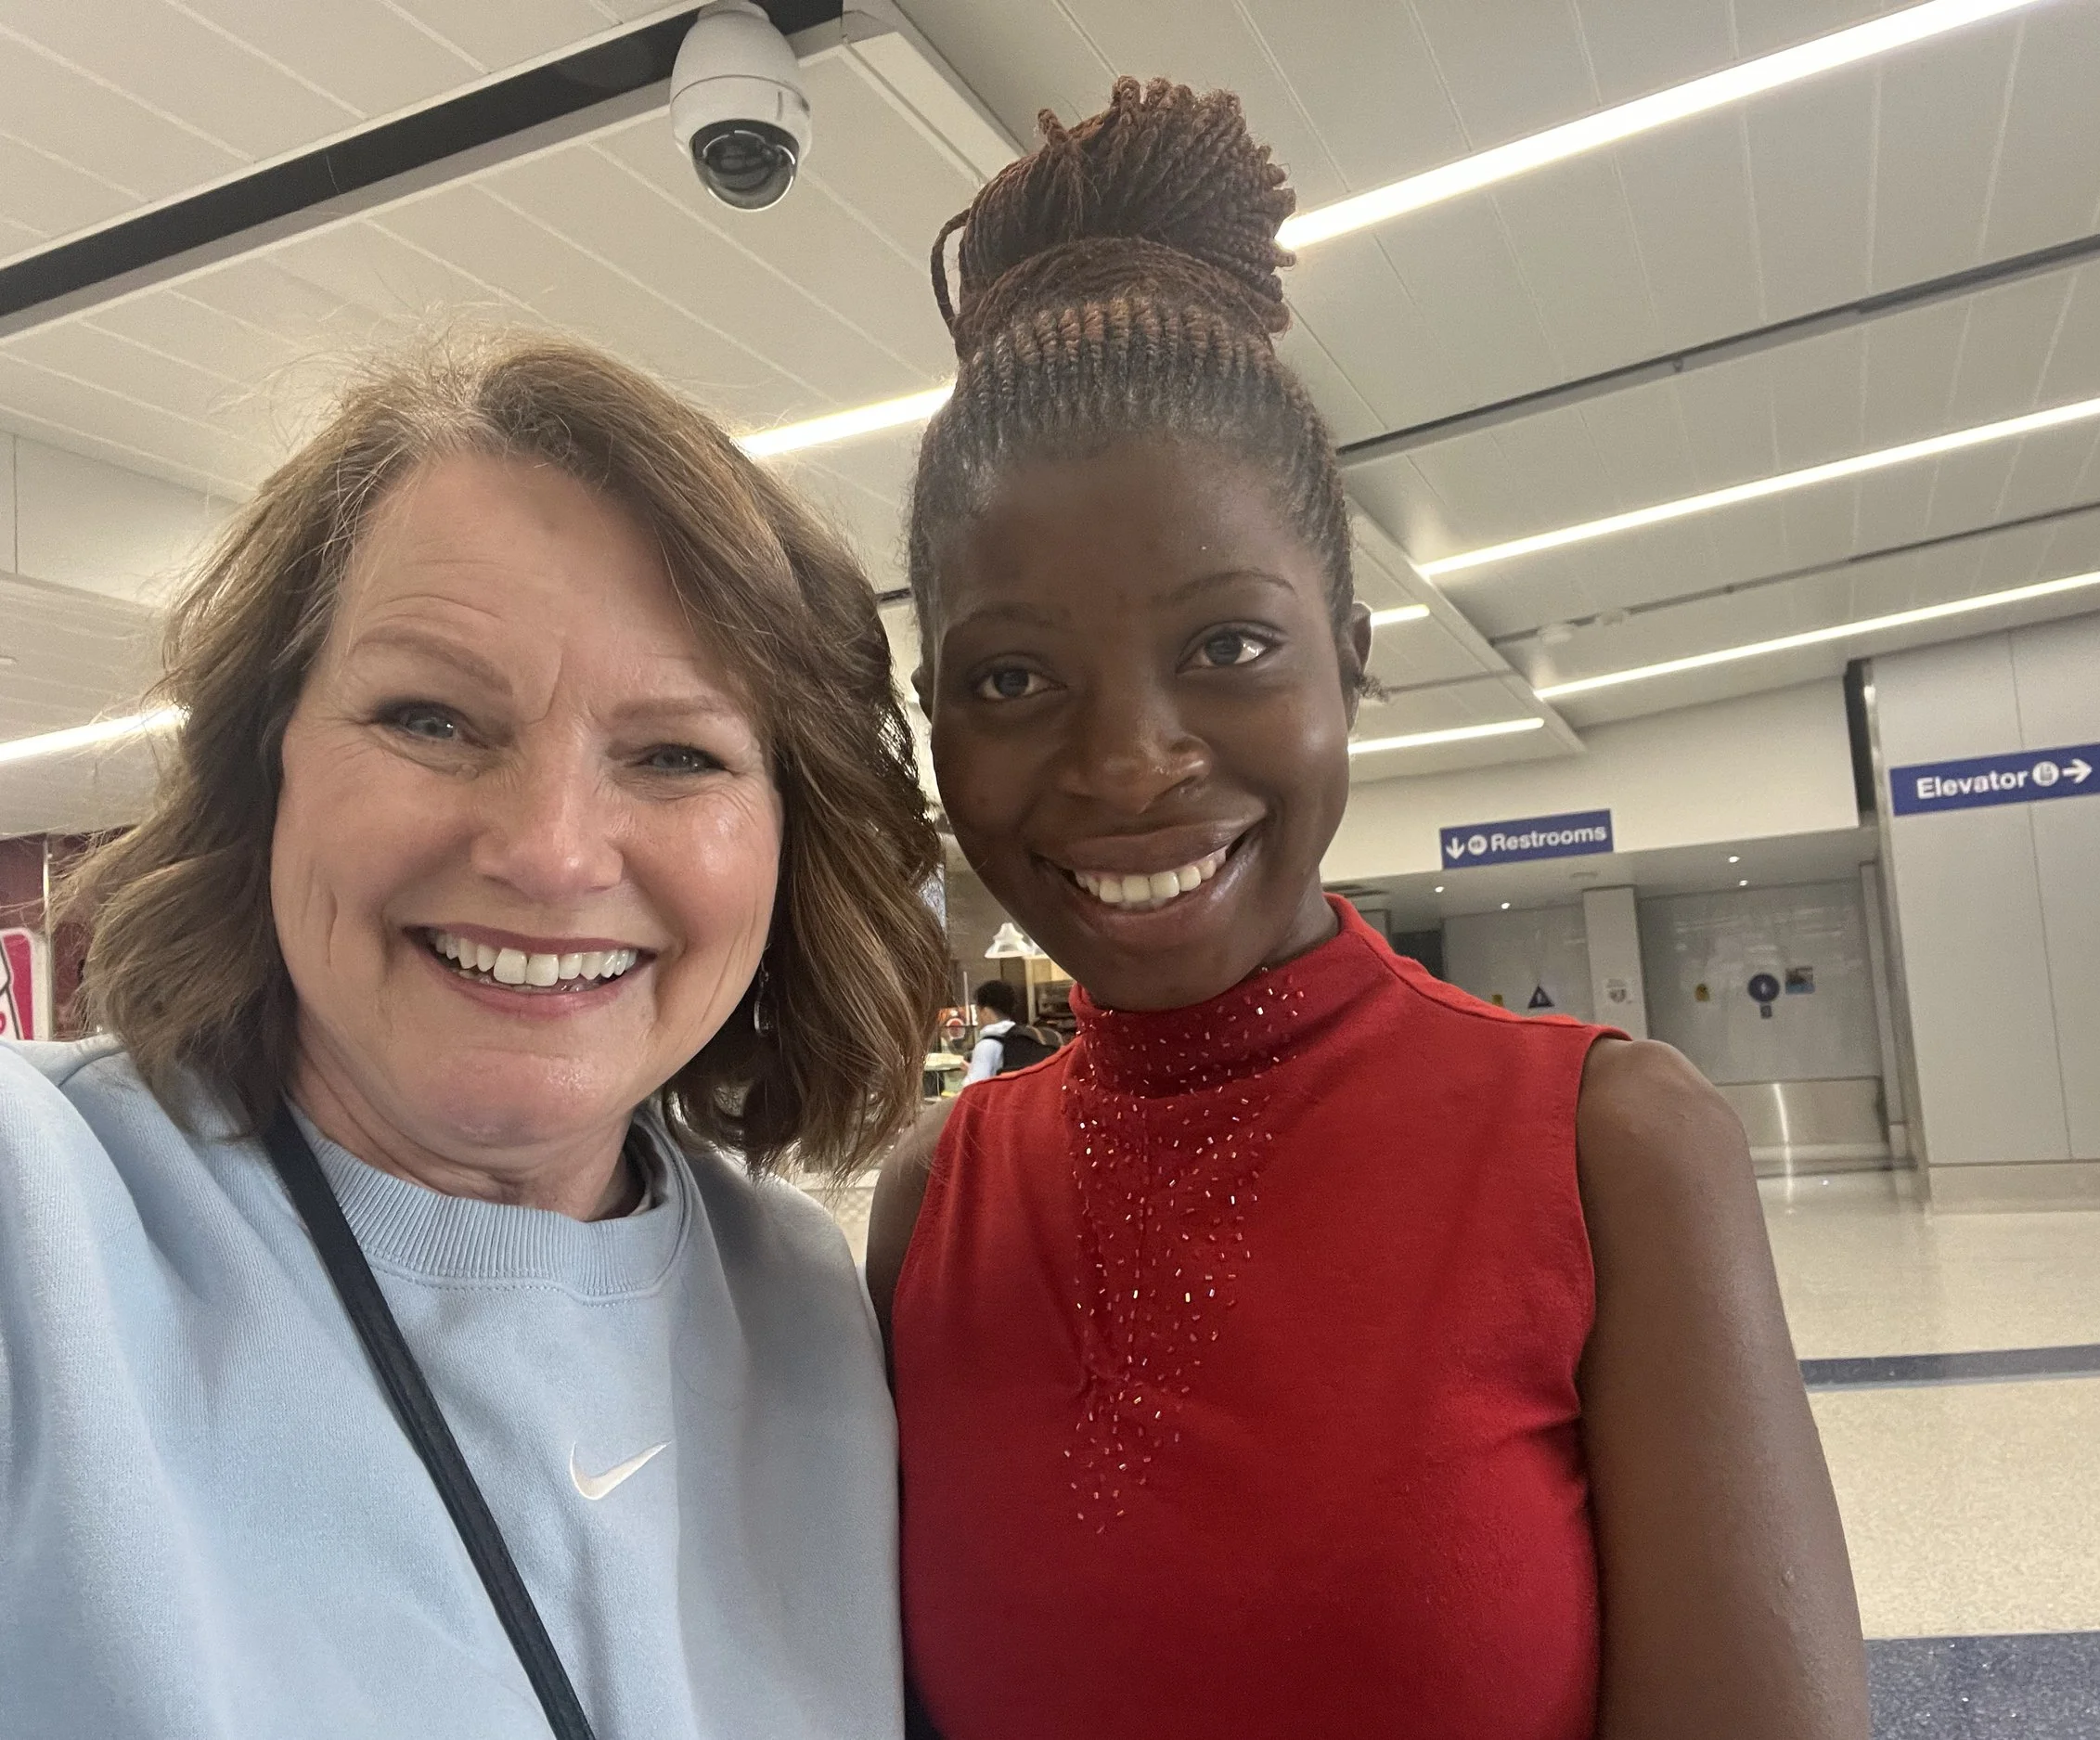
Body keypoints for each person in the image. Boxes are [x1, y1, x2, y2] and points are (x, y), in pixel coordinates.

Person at [868, 80, 1869, 1740]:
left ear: (1354, 651)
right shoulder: (935, 1204)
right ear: (938, 716)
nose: (1129, 766)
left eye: (1230, 646)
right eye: (1015, 675)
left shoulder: (1607, 1148)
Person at [0, 335, 948, 1740]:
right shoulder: (40, 1225)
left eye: (678, 753)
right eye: (431, 718)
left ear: (793, 838)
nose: (552, 853)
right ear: (268, 769)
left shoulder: (802, 1303)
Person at [961, 979, 1052, 1082]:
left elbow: (973, 1090)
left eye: (977, 1011)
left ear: (986, 1012)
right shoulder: (1025, 1036)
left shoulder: (987, 1045)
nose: (977, 1018)